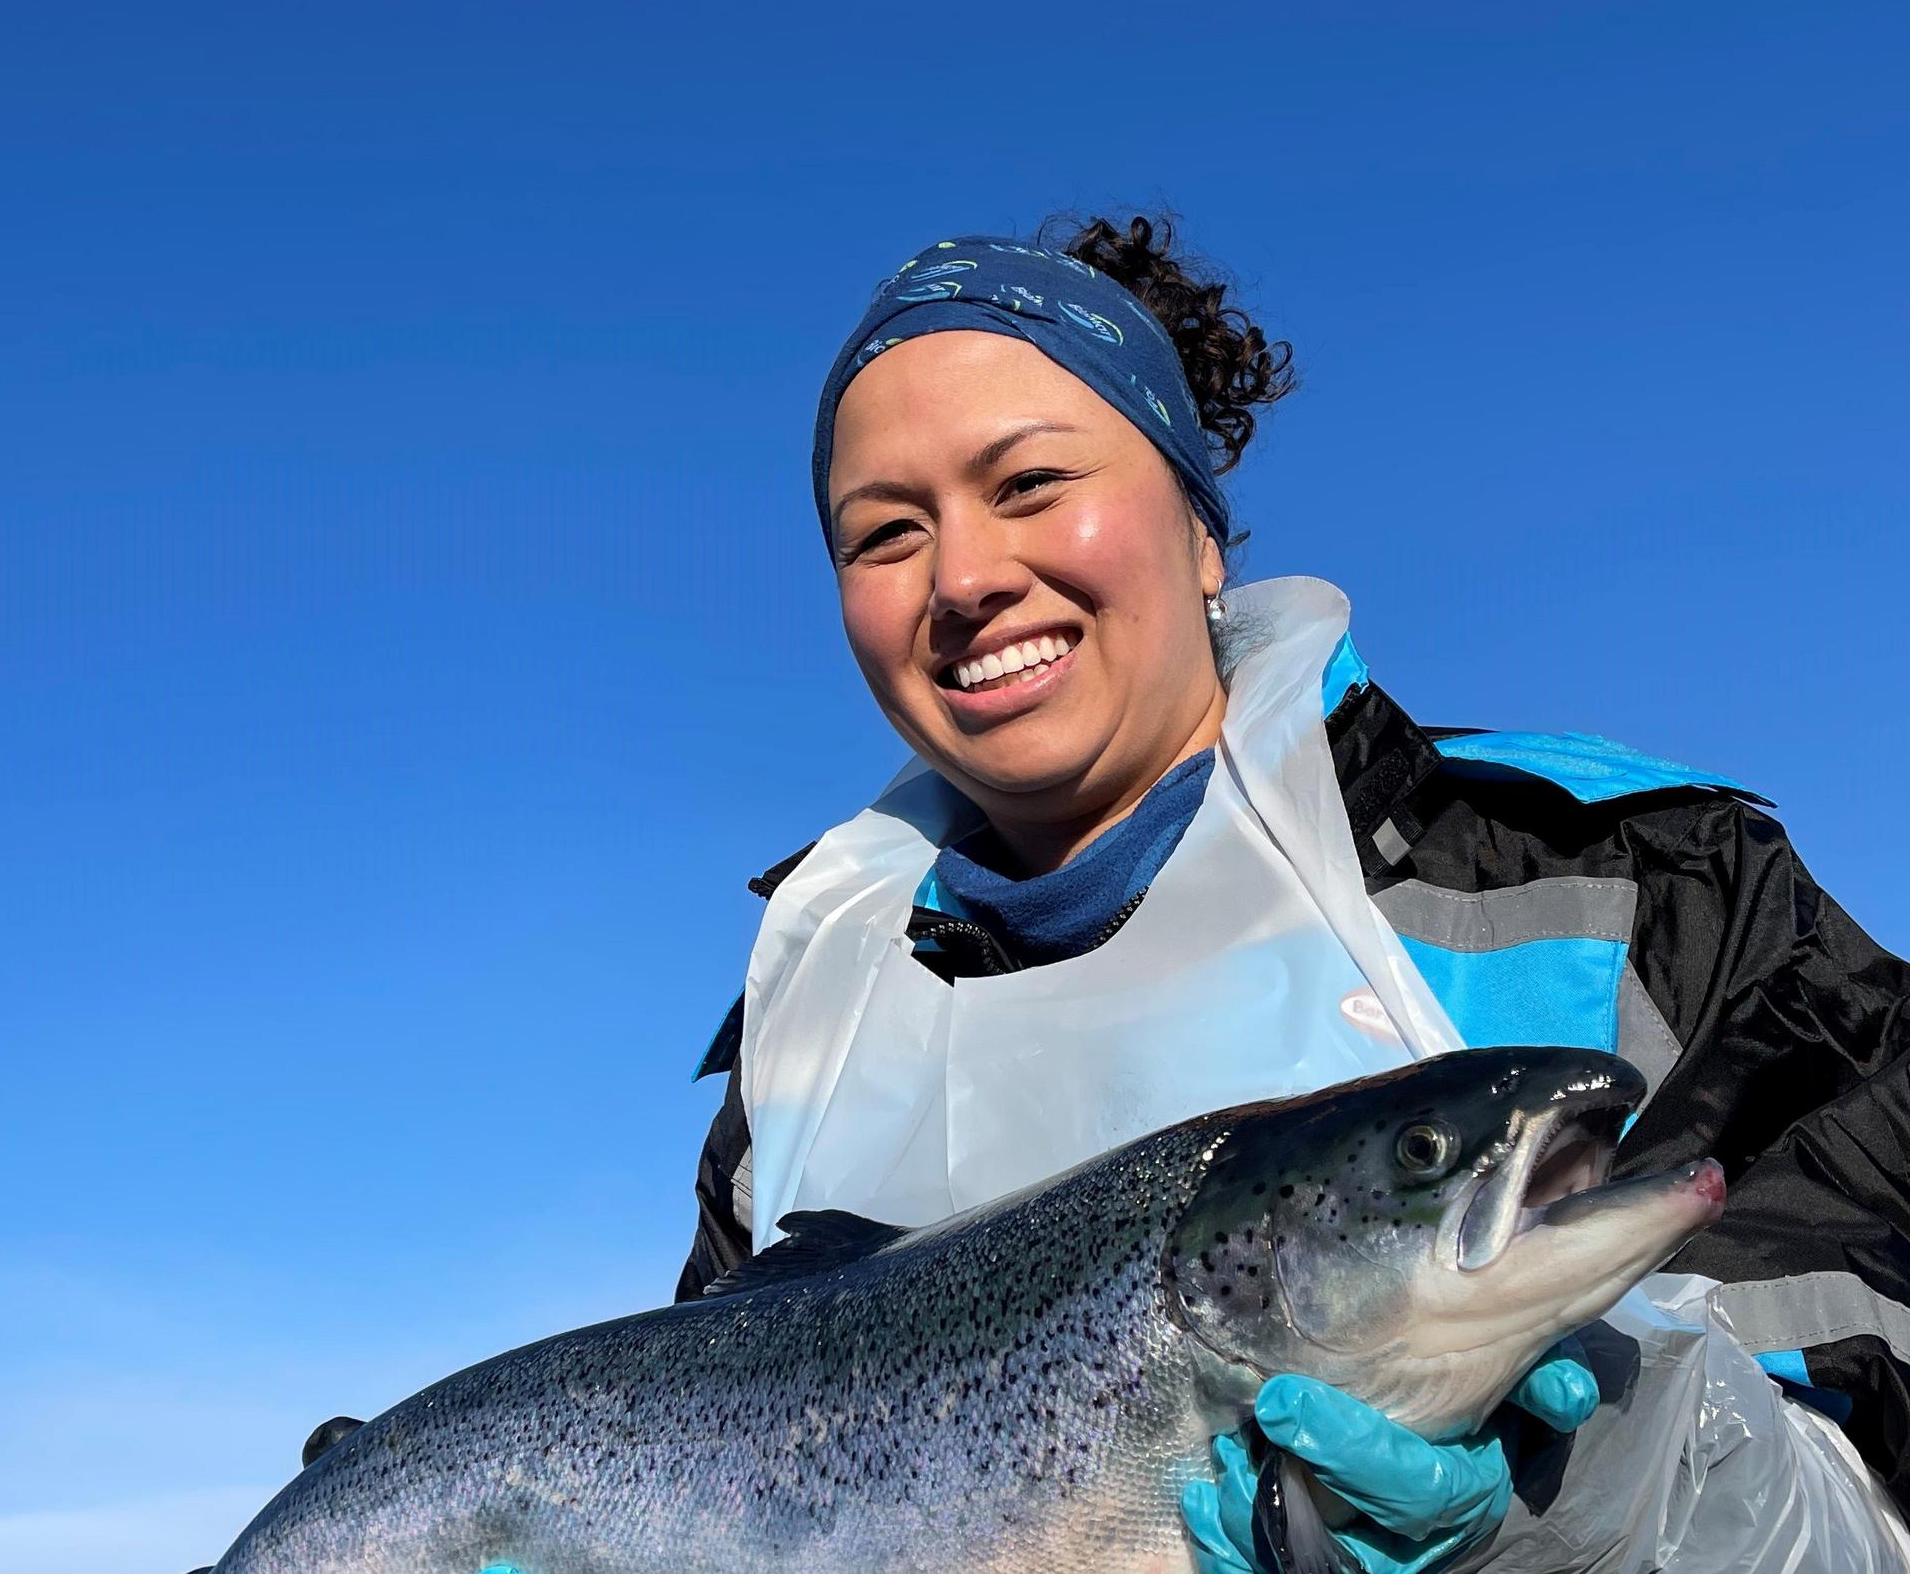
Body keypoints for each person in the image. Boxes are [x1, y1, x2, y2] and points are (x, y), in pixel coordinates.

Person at [679, 217, 1910, 1570]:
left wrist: (1619, 1490)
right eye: (884, 533)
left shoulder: (1638, 890)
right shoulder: (801, 1015)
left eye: (1028, 483)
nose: (964, 578)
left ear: (1204, 532)